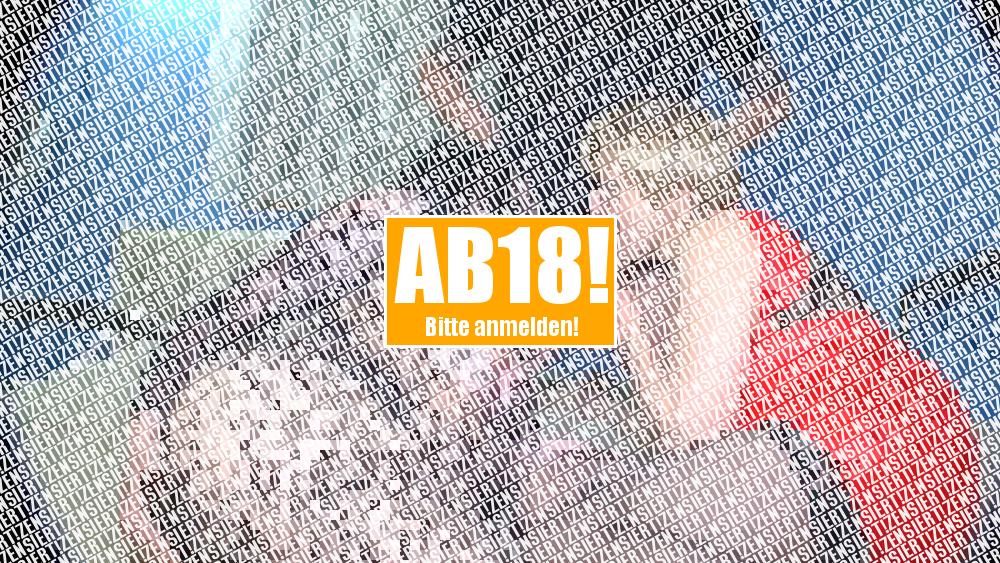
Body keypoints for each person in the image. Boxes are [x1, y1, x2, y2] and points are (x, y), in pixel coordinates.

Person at [581, 96, 982, 563]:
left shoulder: (716, 238)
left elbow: (692, 427)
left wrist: (632, 337)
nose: (595, 205)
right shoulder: (702, 252)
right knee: (606, 504)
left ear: (676, 197)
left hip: (861, 461)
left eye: (614, 190)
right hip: (864, 455)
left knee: (597, 502)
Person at [417, 0, 792, 215]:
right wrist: (503, 148)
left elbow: (772, 98)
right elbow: (437, 72)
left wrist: (696, 158)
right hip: (539, 204)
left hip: (648, 217)